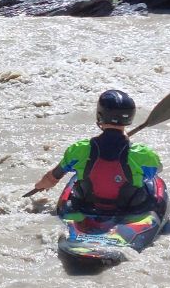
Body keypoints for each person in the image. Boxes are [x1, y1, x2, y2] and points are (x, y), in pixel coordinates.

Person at [33, 89, 162, 214]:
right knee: (151, 181)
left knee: (77, 176)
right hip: (126, 207)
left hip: (87, 205)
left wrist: (40, 185)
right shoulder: (142, 153)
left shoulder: (78, 149)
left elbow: (53, 177)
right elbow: (158, 169)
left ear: (100, 115)